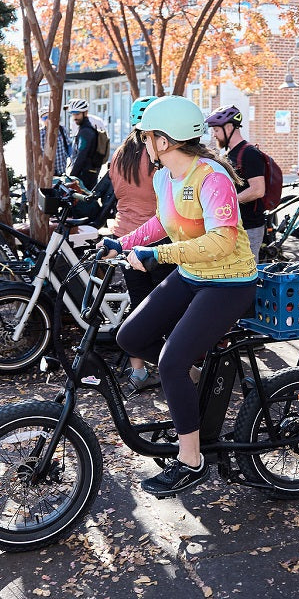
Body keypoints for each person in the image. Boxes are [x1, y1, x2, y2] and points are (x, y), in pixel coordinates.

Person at [101, 95, 258, 497]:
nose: (142, 143)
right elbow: (161, 222)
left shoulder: (211, 177)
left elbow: (222, 242)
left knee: (171, 361)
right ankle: (194, 387)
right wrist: (121, 244)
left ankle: (191, 461)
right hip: (192, 275)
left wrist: (157, 256)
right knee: (130, 337)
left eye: (147, 136)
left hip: (229, 282)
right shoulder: (163, 178)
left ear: (164, 141)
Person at [107, 96, 174, 390]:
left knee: (138, 308)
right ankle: (177, 364)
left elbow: (116, 193)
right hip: (158, 240)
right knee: (170, 307)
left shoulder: (119, 155)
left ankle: (138, 372)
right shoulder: (160, 157)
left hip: (126, 239)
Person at [204, 104, 267, 258]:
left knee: (249, 272)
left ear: (230, 127)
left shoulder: (250, 153)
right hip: (232, 225)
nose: (214, 135)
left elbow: (258, 190)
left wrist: (227, 202)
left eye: (217, 130)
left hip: (249, 226)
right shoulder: (228, 154)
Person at [67, 98, 102, 189]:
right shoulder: (85, 129)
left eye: (77, 114)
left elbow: (81, 156)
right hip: (88, 173)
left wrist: (71, 176)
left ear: (85, 113)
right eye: (73, 114)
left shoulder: (86, 132)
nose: (75, 117)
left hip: (85, 175)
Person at [40, 111, 71, 176]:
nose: (48, 120)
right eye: (45, 118)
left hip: (62, 169)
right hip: (47, 172)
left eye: (49, 117)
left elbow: (69, 146)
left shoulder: (62, 129)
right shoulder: (40, 134)